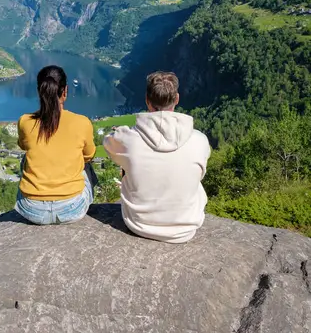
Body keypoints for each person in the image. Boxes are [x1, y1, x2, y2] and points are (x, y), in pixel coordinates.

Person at [103, 71, 210, 243]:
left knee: (127, 165)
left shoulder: (127, 139)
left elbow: (107, 143)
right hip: (185, 228)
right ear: (177, 99)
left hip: (138, 224)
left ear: (147, 99)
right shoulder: (200, 141)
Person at [15, 65, 97, 225]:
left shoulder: (25, 121)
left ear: (40, 91)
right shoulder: (82, 122)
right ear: (65, 91)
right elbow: (89, 155)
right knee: (85, 164)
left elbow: (23, 145)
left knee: (26, 157)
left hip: (31, 209)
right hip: (72, 208)